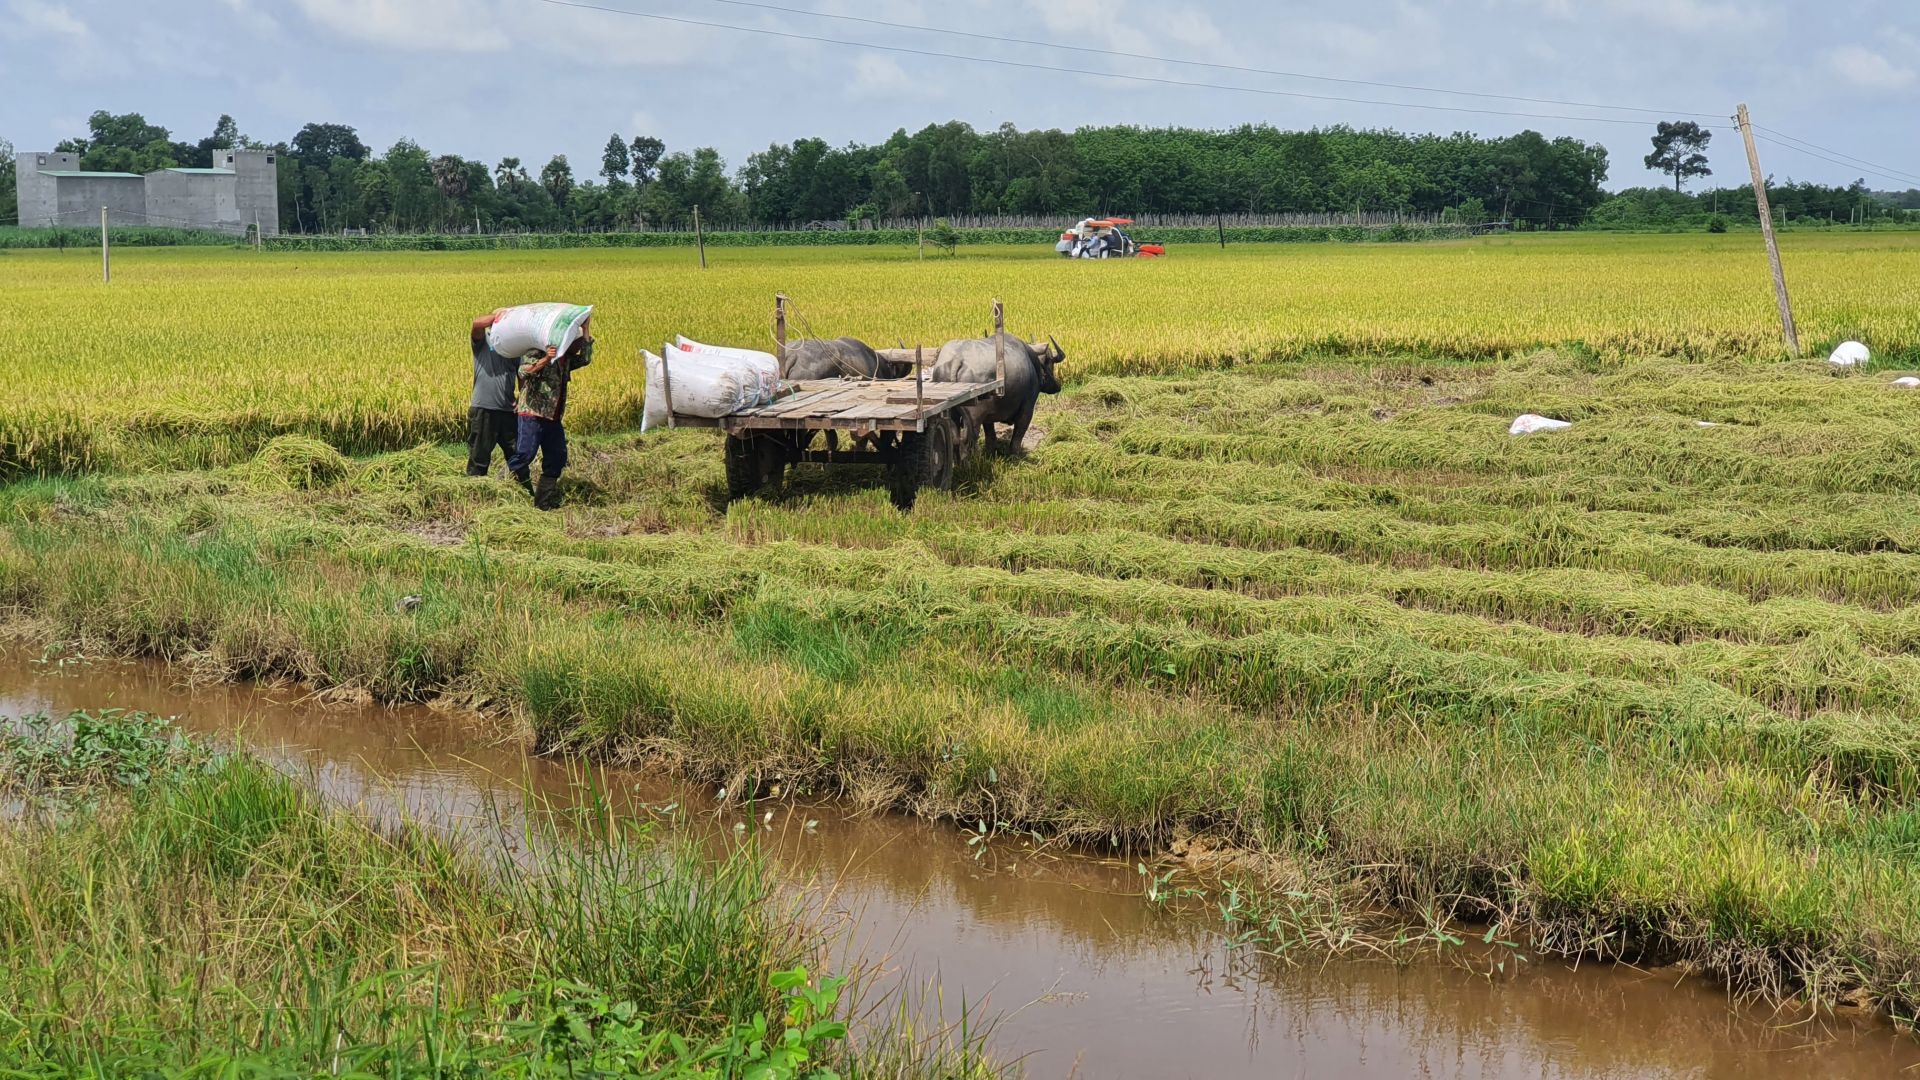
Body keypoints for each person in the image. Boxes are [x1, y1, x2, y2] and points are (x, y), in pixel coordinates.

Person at [507, 322, 593, 510]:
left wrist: (586, 331)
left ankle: (542, 503)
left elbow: (586, 359)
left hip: (553, 417)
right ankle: (502, 487)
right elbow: (523, 371)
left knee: (557, 457)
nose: (579, 347)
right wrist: (546, 359)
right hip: (532, 413)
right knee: (525, 455)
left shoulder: (566, 359)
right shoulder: (538, 352)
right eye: (577, 343)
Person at [467, 310, 519, 479]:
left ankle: (523, 491)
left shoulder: (515, 348)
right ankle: (476, 495)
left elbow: (522, 376)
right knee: (479, 457)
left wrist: (521, 400)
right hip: (484, 408)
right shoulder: (484, 342)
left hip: (508, 409)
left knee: (517, 454)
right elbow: (477, 324)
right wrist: (503, 315)